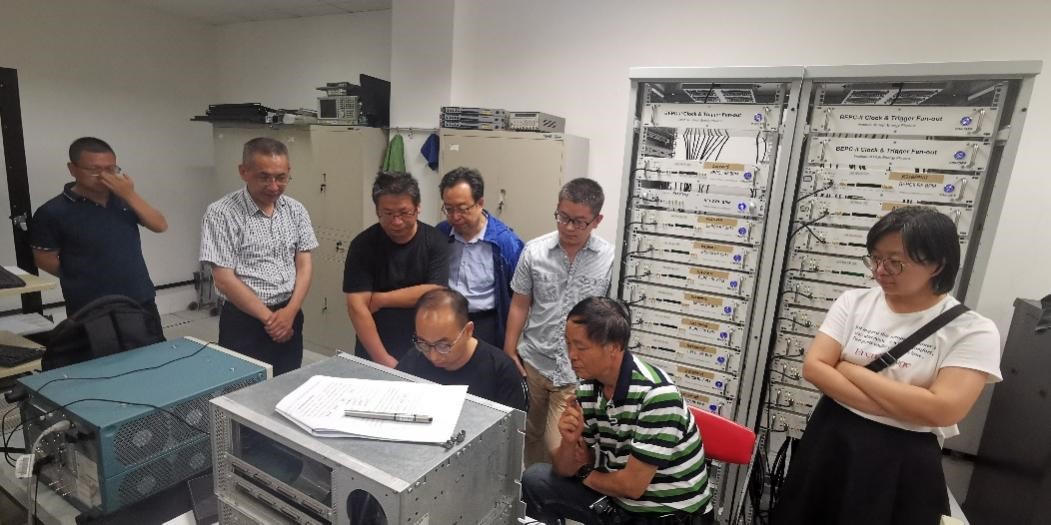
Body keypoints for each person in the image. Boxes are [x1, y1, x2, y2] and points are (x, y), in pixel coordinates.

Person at [771, 206, 1002, 525]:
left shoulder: (972, 330)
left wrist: (849, 370)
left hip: (902, 458)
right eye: (875, 258)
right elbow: (815, 368)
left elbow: (943, 410)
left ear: (937, 264)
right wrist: (908, 406)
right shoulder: (854, 302)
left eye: (896, 262)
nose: (880, 270)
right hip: (832, 438)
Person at [522, 297, 714, 525]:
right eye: (568, 344)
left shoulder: (657, 395)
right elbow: (566, 468)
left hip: (668, 516)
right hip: (619, 505)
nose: (571, 355)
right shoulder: (588, 389)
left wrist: (584, 473)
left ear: (613, 347)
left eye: (581, 347)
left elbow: (631, 486)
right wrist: (569, 442)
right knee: (536, 479)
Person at [504, 178, 615, 466]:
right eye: (563, 217)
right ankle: (528, 490)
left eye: (579, 222)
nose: (568, 227)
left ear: (597, 220)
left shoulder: (609, 258)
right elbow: (520, 302)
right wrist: (509, 349)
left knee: (560, 446)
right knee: (527, 435)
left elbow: (611, 319)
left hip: (574, 371)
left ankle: (552, 491)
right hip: (533, 361)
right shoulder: (534, 251)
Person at [199, 137, 317, 375]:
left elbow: (304, 265)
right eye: (264, 177)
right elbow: (224, 279)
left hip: (290, 314)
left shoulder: (296, 210)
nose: (273, 186)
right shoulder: (221, 213)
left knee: (288, 381)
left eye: (281, 177)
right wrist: (271, 320)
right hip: (245, 320)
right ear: (244, 172)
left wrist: (291, 311)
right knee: (243, 387)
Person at [31, 137, 168, 324]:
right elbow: (44, 259)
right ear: (72, 169)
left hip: (139, 297)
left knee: (152, 343)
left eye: (111, 169)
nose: (103, 176)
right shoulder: (52, 211)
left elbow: (160, 225)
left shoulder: (125, 200)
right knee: (100, 344)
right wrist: (81, 276)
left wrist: (130, 195)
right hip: (89, 306)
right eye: (94, 170)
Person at [344, 172, 449, 368]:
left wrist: (381, 299)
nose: (397, 221)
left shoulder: (435, 241)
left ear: (418, 208)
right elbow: (357, 308)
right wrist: (383, 359)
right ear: (377, 211)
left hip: (425, 350)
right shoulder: (362, 245)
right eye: (388, 213)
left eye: (404, 212)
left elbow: (435, 293)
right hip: (374, 349)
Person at [435, 167, 524, 348]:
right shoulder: (441, 233)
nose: (455, 217)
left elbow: (520, 299)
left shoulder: (505, 243)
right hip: (447, 319)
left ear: (480, 203)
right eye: (449, 209)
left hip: (486, 325)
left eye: (462, 209)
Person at [396, 288, 527, 411]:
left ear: (468, 331)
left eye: (443, 345)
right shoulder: (413, 360)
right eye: (423, 343)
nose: (433, 356)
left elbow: (512, 425)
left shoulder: (501, 371)